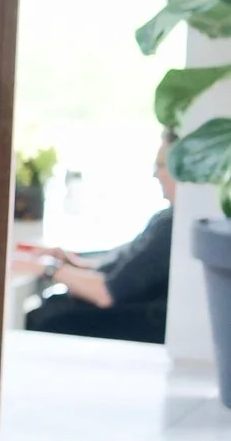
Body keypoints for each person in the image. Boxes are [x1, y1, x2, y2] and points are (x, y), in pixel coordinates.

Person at [16, 136, 174, 344]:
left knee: (44, 316)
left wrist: (47, 268)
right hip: (124, 312)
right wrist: (70, 262)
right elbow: (123, 270)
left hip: (129, 322)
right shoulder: (165, 218)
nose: (155, 175)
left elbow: (106, 292)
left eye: (162, 166)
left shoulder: (171, 228)